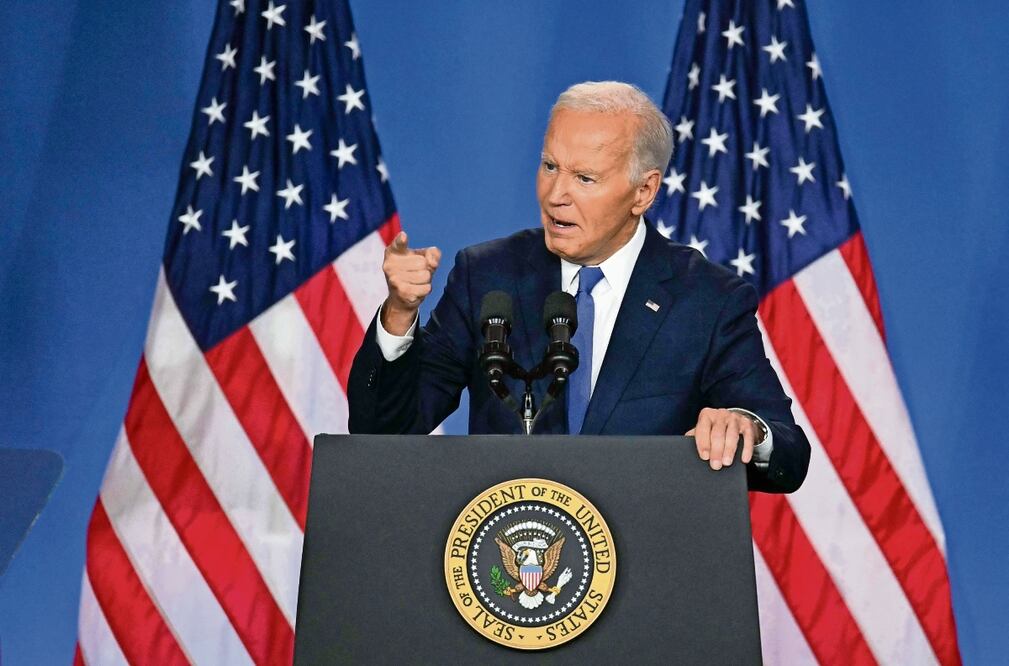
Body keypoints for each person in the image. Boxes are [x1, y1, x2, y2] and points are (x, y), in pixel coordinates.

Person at [348, 81, 809, 493]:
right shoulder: (487, 276)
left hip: (643, 555)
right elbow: (384, 431)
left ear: (644, 192)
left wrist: (745, 427)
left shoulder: (706, 299)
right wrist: (400, 313)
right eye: (550, 166)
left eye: (584, 178)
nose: (555, 195)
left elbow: (789, 453)